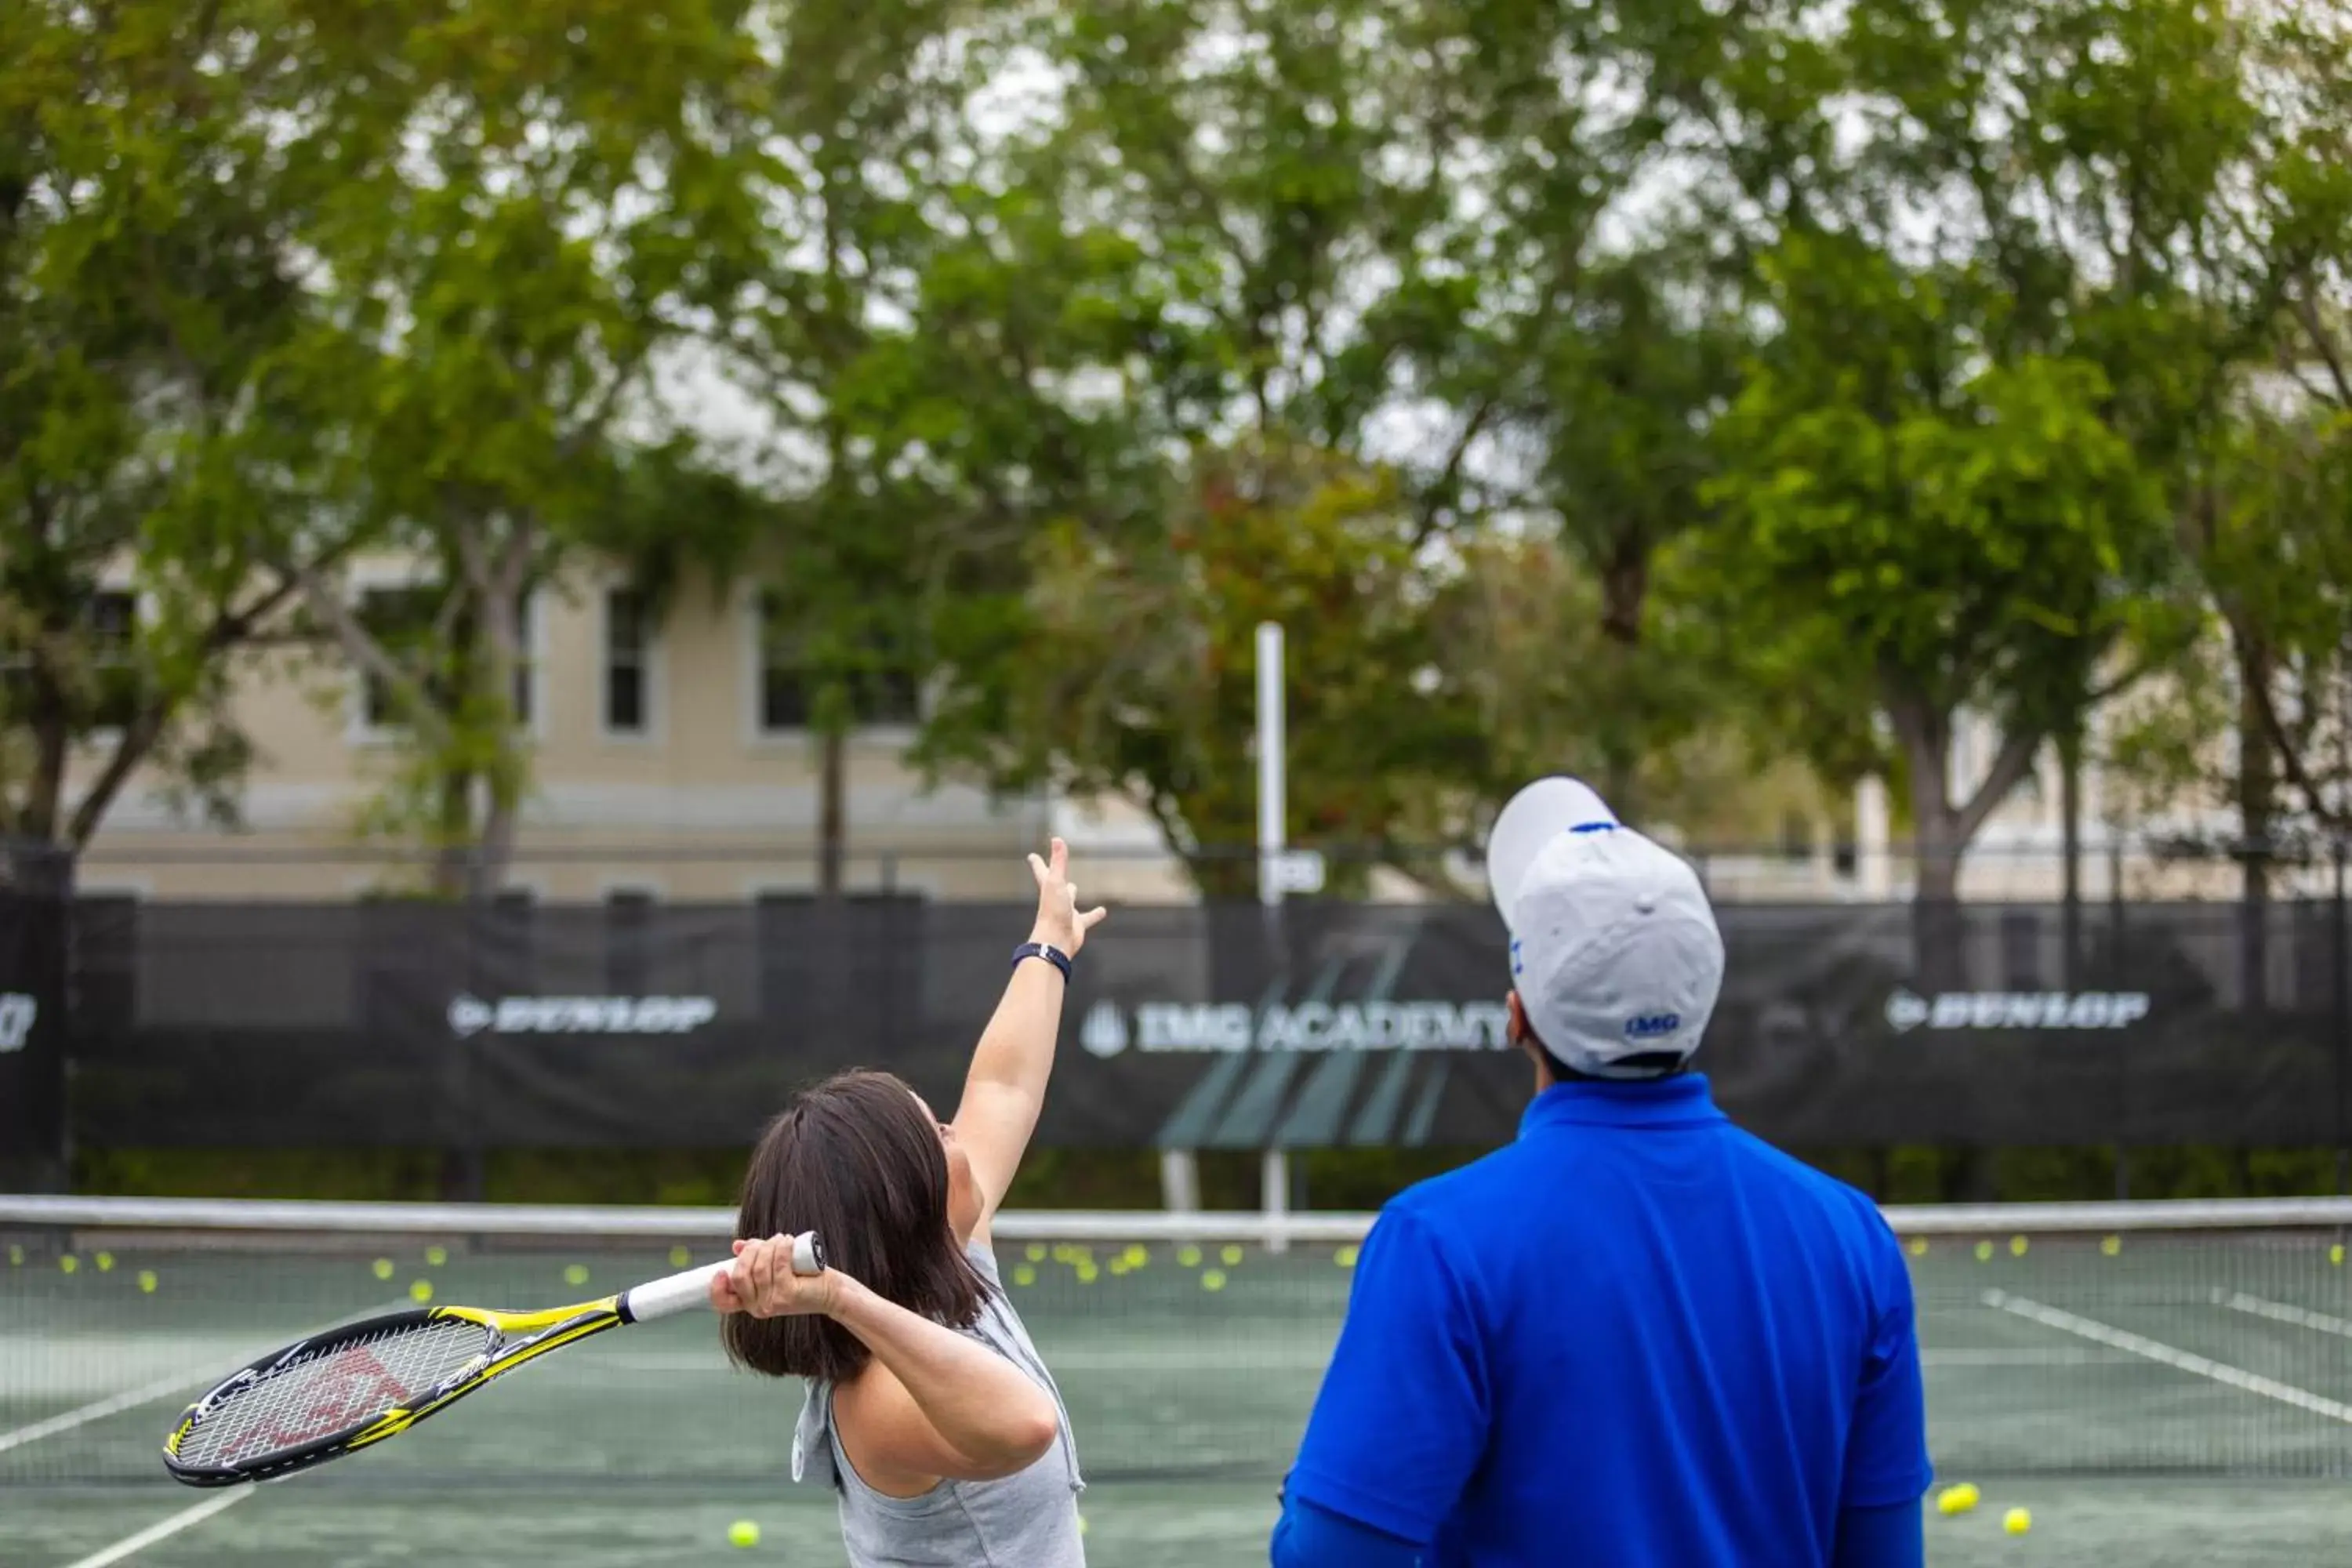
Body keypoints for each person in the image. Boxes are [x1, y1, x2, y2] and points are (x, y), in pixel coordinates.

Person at [1271, 778, 1932, 1568]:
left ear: (1517, 1016)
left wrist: (1316, 1493)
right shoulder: (1851, 1235)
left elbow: (1330, 1555)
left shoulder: (1438, 1240)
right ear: (1704, 1001)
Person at [713, 838, 1107, 1568]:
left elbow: (1003, 1087)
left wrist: (1049, 945)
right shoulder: (881, 1398)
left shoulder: (952, 1266)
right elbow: (1024, 1423)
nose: (959, 1131)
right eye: (939, 1135)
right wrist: (837, 1295)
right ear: (910, 1206)